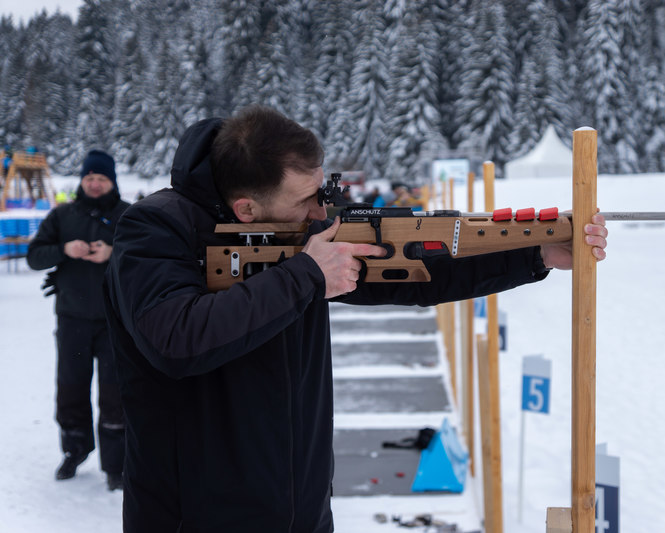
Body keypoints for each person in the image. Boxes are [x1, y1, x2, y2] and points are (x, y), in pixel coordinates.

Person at [104, 106, 607, 533]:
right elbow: (174, 338)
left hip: (302, 512)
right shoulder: (154, 229)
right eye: (305, 201)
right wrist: (305, 276)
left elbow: (414, 269)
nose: (320, 213)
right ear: (247, 210)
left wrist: (534, 252)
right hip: (192, 518)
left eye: (321, 192)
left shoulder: (302, 230)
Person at [26, 150, 130, 491]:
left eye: (101, 178)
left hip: (116, 321)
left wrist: (113, 253)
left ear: (112, 181)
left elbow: (149, 258)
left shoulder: (128, 215)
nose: (95, 184)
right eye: (89, 178)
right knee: (71, 389)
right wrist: (63, 250)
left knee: (116, 393)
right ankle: (74, 450)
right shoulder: (62, 215)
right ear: (82, 181)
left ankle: (116, 465)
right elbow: (34, 257)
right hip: (72, 319)